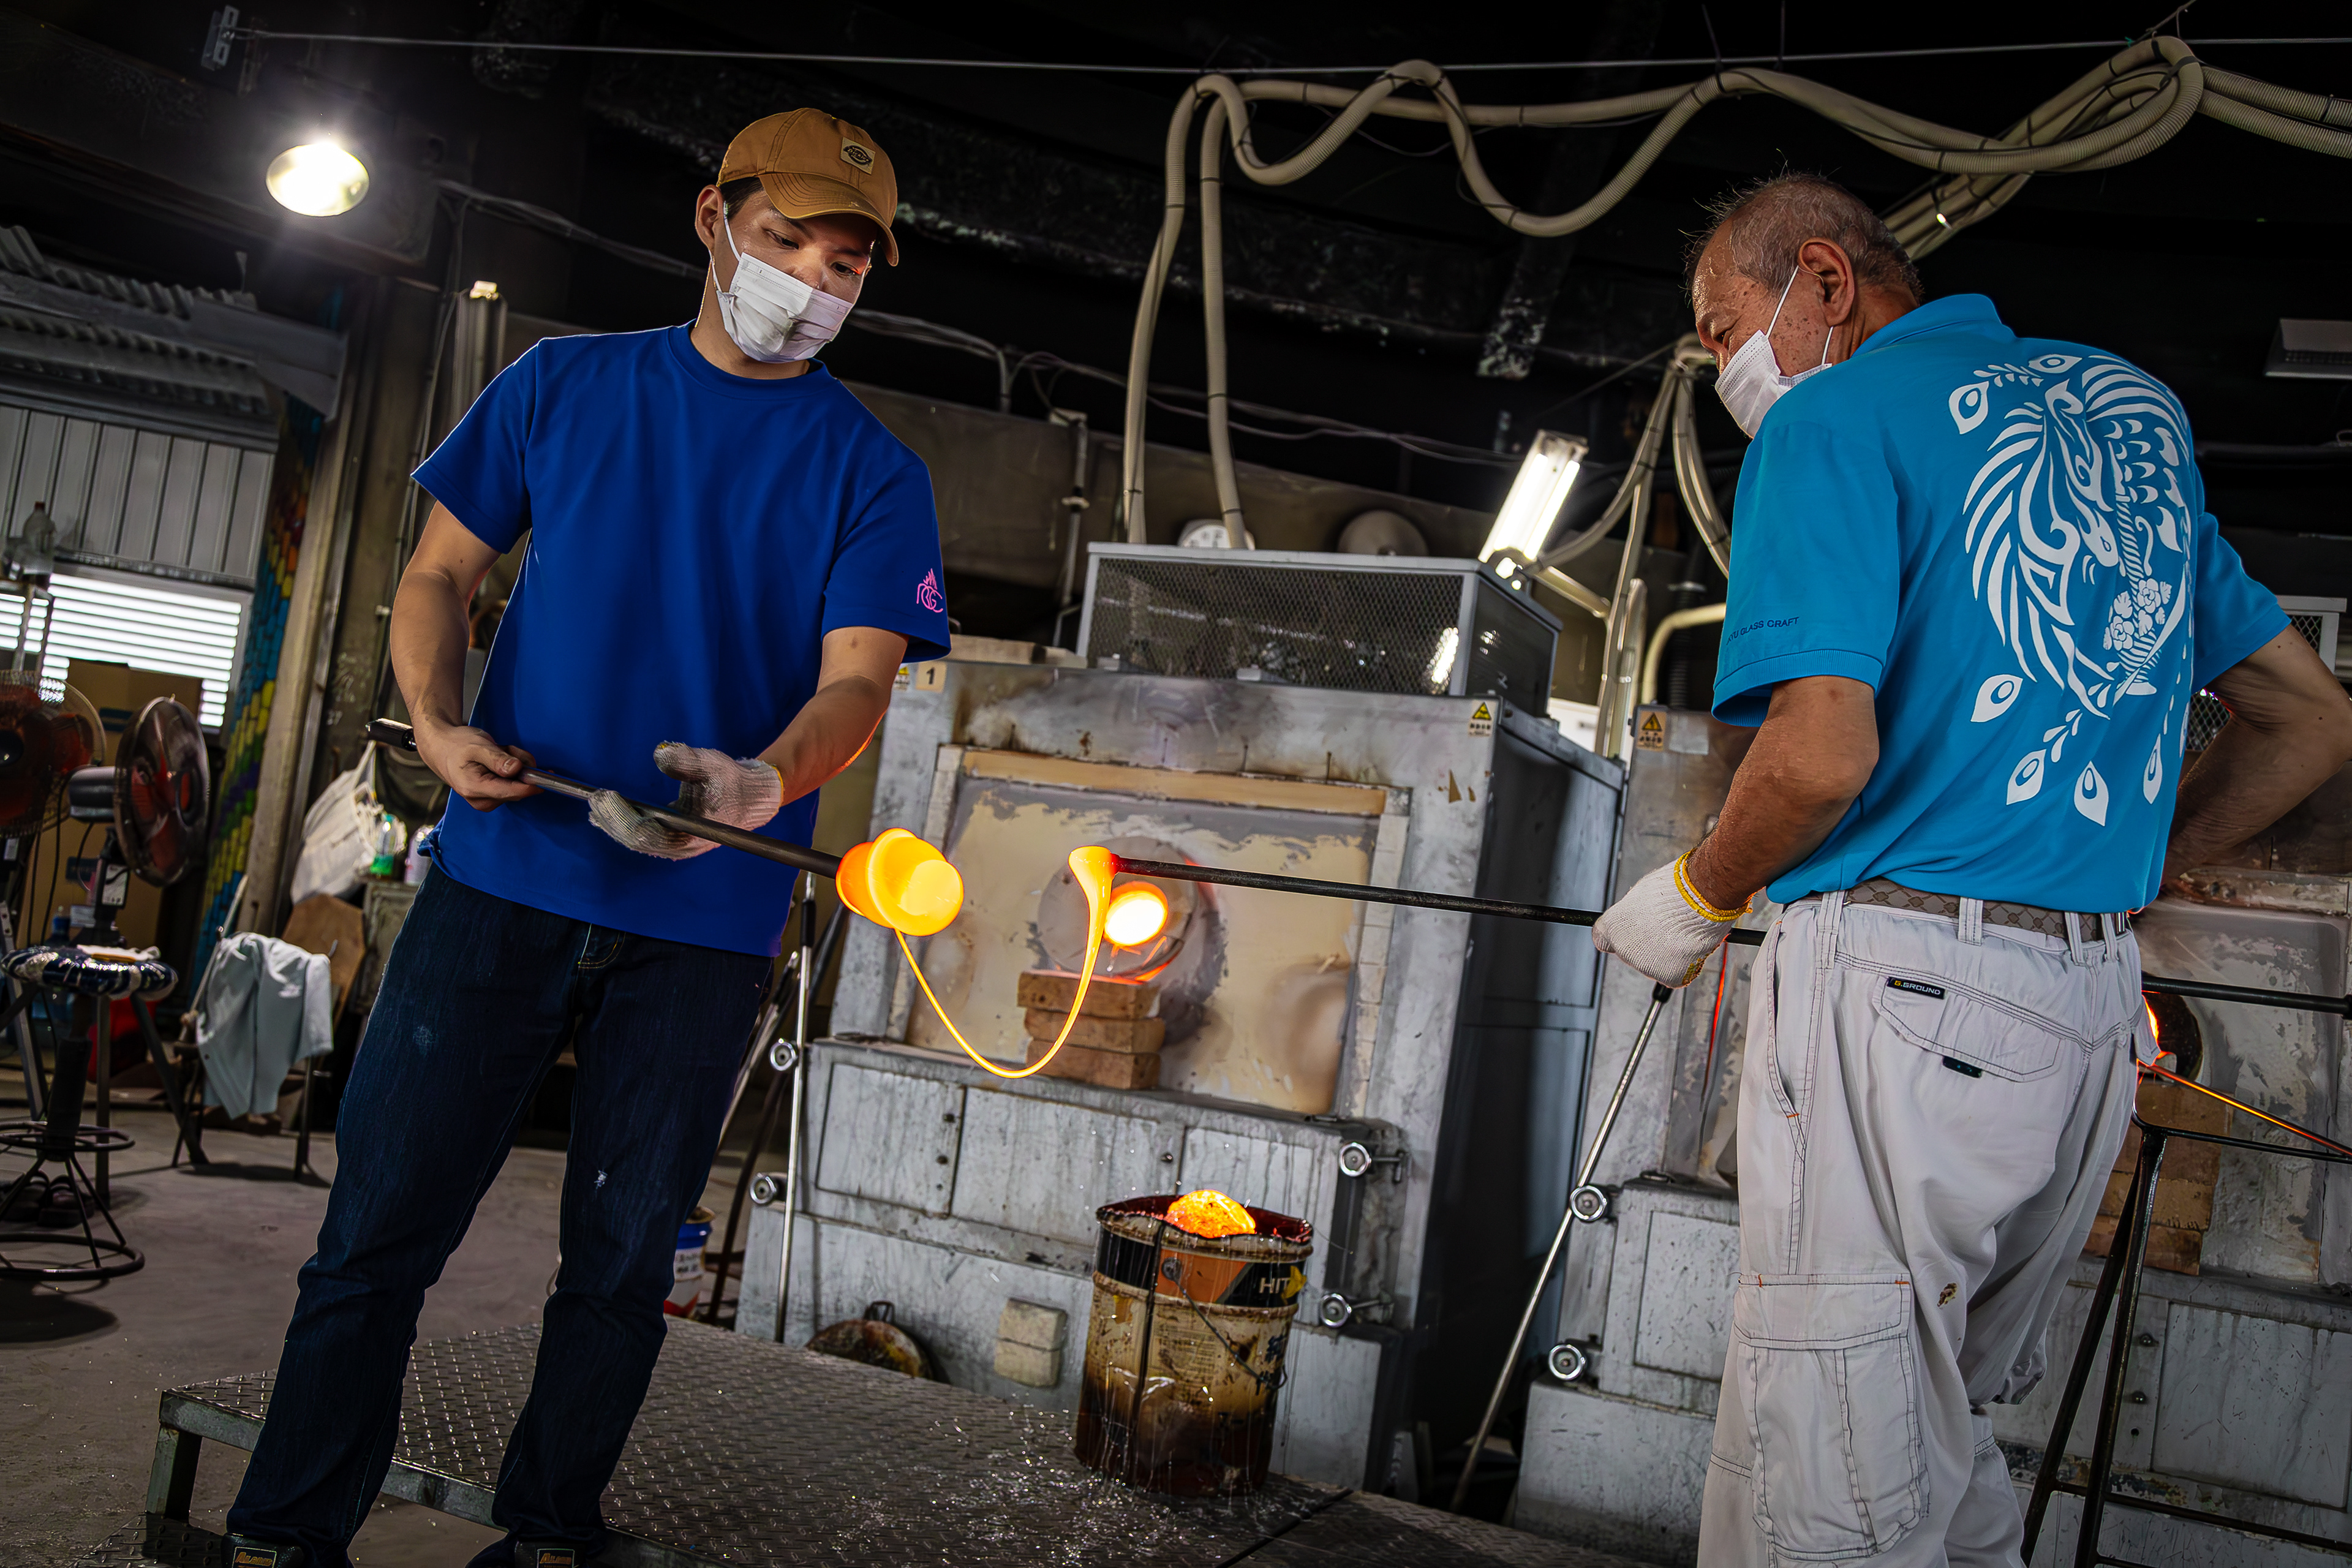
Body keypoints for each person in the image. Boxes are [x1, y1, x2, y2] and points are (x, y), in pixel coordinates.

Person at [1593, 172, 2352, 1568]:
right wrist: (2111, 866)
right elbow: (2312, 719)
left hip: (1899, 989)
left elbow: (1819, 758)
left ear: (1823, 281)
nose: (1722, 368)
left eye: (1721, 328)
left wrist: (1695, 895)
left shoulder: (1831, 417)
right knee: (1926, 1444)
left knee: (1837, 1467)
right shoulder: (2129, 422)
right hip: (2083, 1012)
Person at [225, 110, 949, 1568]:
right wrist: (434, 727)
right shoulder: (562, 388)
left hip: (707, 923)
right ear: (713, 220)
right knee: (376, 1234)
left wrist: (766, 780)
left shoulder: (873, 469)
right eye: (793, 239)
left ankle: (548, 1532)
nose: (817, 276)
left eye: (849, 260)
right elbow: (434, 577)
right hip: (504, 880)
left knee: (622, 1267)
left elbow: (858, 681)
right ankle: (285, 1532)